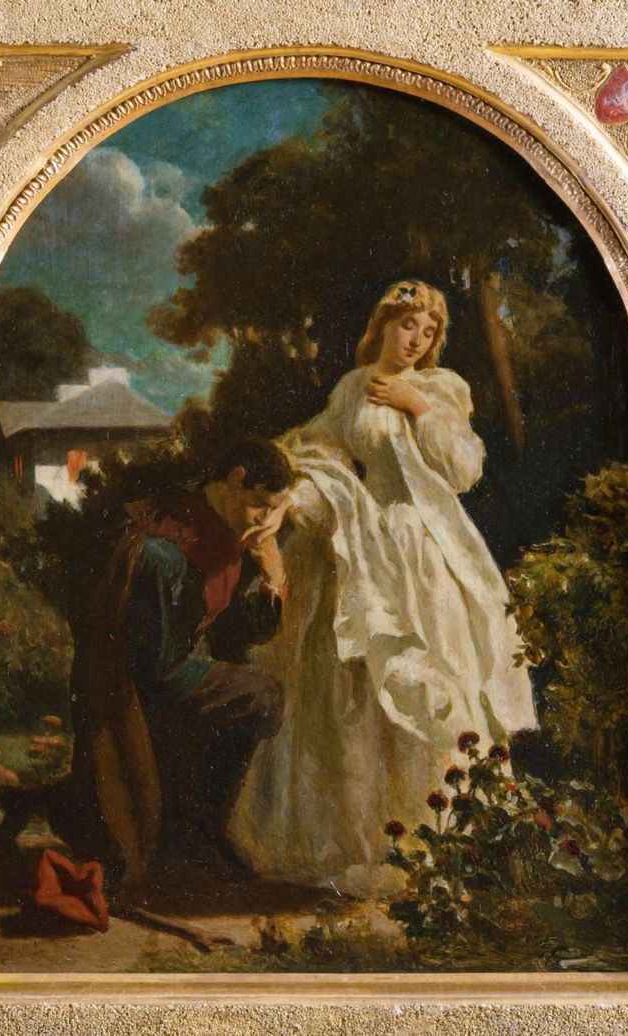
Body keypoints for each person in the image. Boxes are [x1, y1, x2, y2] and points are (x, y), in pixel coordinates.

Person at [228, 280, 538, 895]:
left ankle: (444, 837)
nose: (416, 340)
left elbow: (464, 470)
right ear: (384, 325)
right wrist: (288, 502)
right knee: (356, 687)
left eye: (428, 331)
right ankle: (365, 837)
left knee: (436, 672)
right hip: (372, 538)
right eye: (406, 325)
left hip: (428, 545)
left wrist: (417, 405)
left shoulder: (442, 388)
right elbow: (317, 460)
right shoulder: (352, 388)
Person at [0, 439, 294, 896]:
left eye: (273, 510)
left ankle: (35, 801)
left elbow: (240, 632)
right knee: (259, 696)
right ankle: (201, 835)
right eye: (261, 505)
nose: (265, 520)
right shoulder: (165, 538)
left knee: (243, 699)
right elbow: (156, 670)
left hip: (161, 674)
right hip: (131, 683)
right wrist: (224, 679)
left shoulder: (228, 534)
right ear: (234, 480)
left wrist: (274, 578)